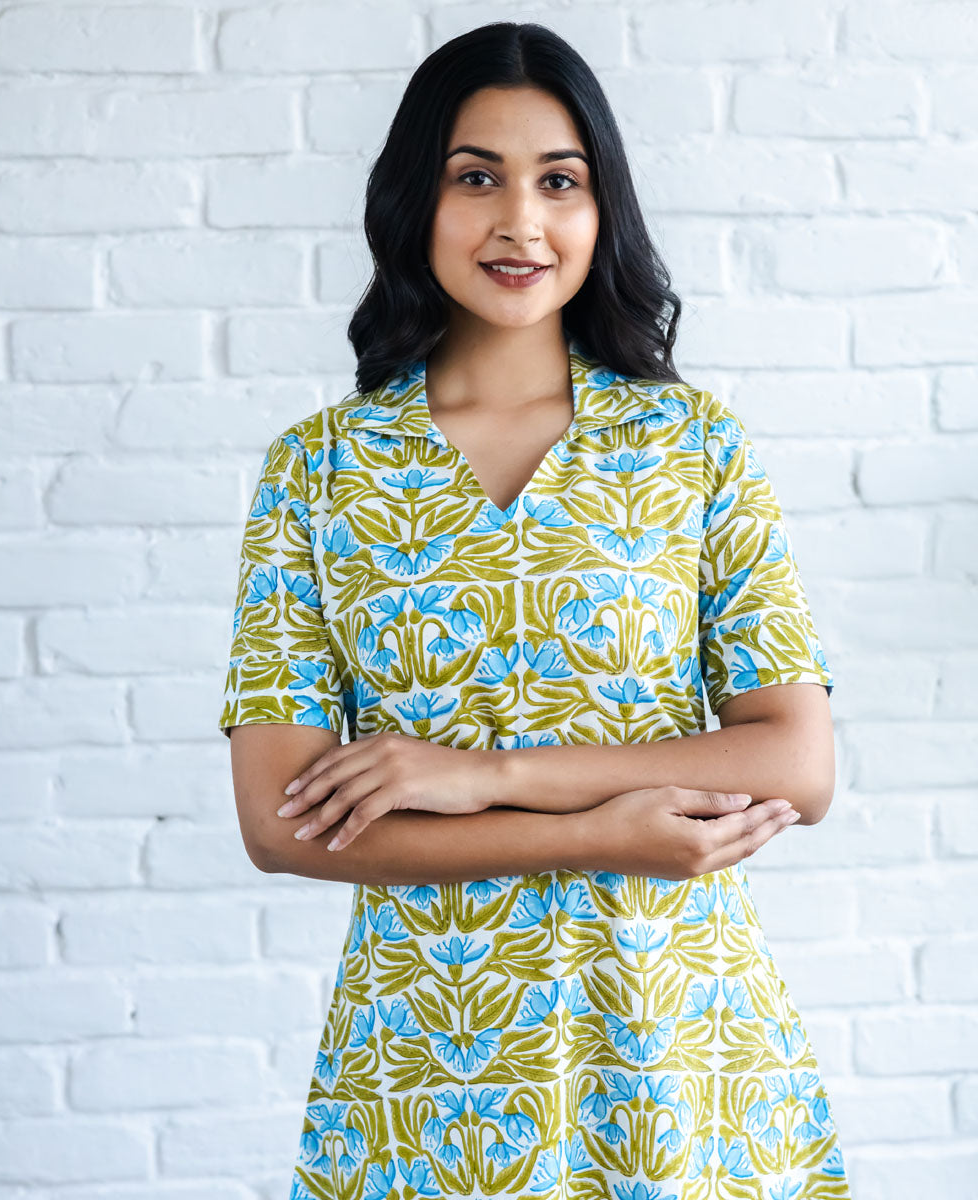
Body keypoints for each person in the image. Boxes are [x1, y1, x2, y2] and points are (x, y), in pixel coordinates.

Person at [219, 21, 852, 1200]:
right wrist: (596, 833)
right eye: (476, 178)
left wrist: (472, 773)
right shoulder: (317, 473)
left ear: (602, 206)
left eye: (560, 180)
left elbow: (796, 760)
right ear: (418, 201)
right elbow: (280, 822)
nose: (521, 221)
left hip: (680, 1044)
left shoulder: (691, 448)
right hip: (422, 1074)